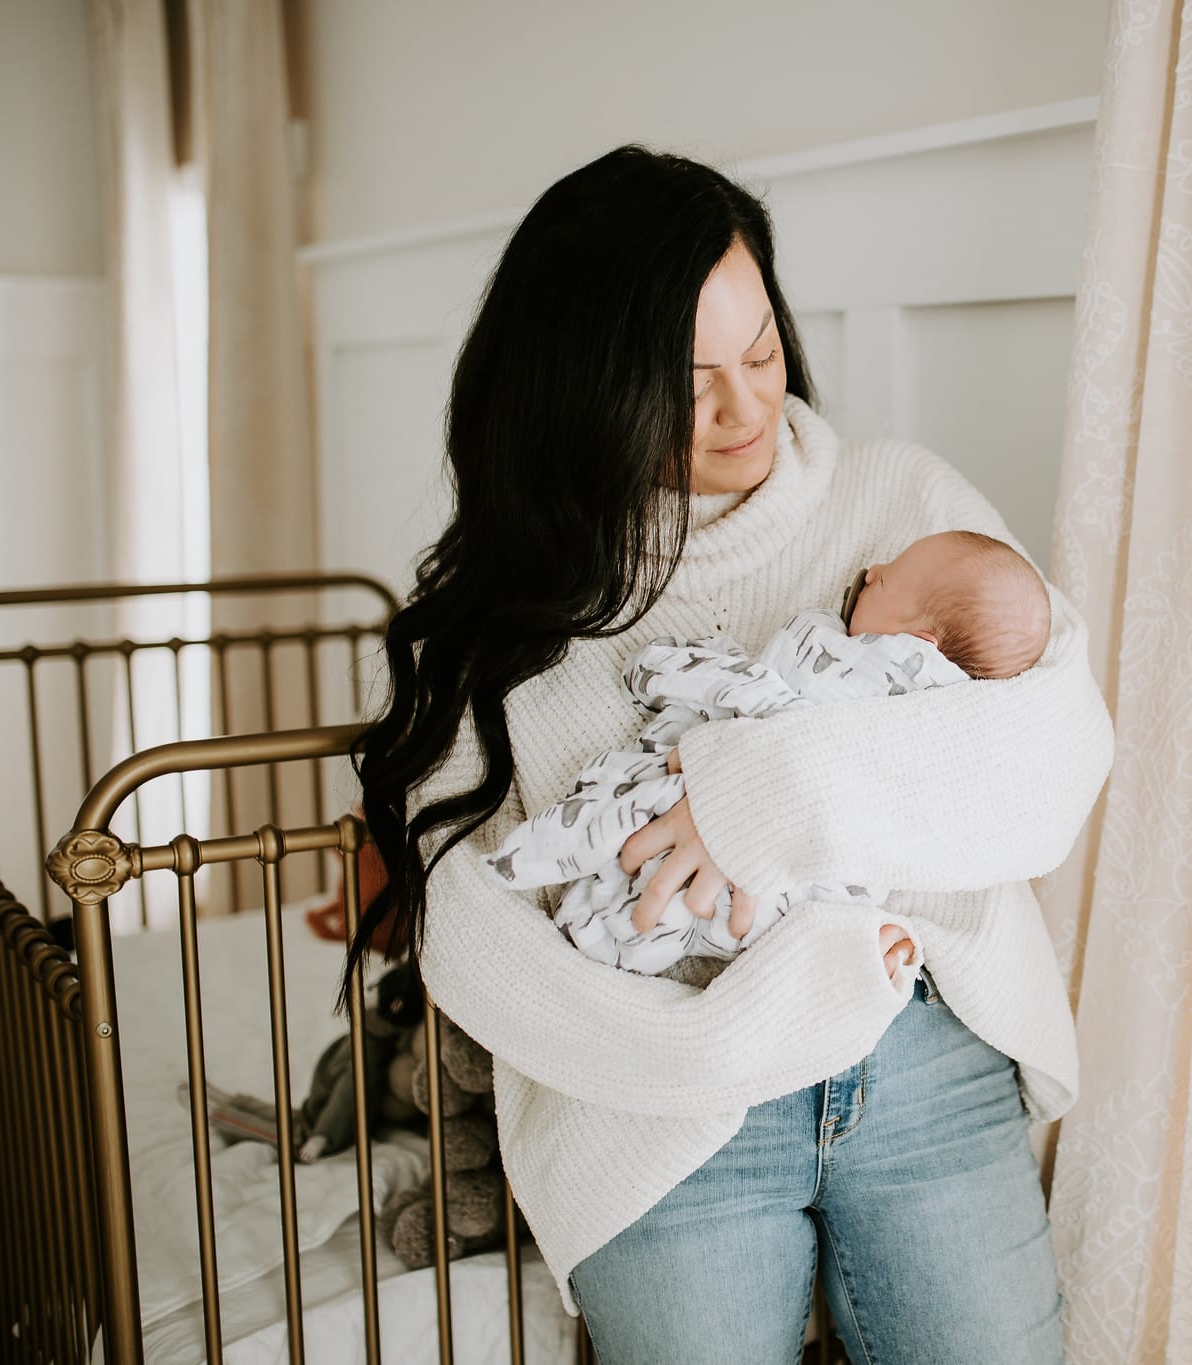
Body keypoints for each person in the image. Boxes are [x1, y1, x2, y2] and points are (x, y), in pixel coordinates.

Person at [345, 146, 1112, 1364]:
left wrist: (759, 799)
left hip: (920, 1051)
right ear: (579, 389)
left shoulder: (901, 506)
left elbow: (1054, 761)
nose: (746, 409)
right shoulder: (498, 618)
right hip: (658, 1111)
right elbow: (469, 941)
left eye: (760, 354)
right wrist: (708, 1052)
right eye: (688, 383)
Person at [480, 530, 1053, 975]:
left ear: (913, 647)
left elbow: (757, 696)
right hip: (812, 911)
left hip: (804, 863)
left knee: (641, 829)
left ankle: (582, 910)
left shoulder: (882, 682)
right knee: (688, 892)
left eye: (886, 581)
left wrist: (757, 778)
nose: (871, 571)